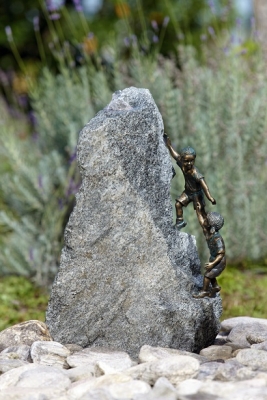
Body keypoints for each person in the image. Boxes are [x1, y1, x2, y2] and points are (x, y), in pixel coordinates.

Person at [164, 134, 216, 230]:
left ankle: (209, 227)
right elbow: (175, 156)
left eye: (191, 161)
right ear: (183, 160)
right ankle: (180, 221)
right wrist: (169, 146)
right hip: (188, 193)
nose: (189, 163)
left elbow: (204, 186)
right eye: (186, 161)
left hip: (197, 195)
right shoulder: (183, 165)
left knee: (200, 215)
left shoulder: (195, 172)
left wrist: (210, 198)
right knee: (178, 204)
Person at [193, 203, 226, 298]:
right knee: (211, 273)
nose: (205, 221)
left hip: (219, 262)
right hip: (213, 259)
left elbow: (221, 254)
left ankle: (204, 291)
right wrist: (198, 210)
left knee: (207, 275)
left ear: (212, 227)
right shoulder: (208, 233)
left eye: (207, 220)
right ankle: (215, 287)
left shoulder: (217, 239)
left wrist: (212, 264)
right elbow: (201, 222)